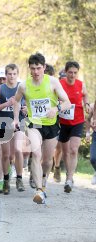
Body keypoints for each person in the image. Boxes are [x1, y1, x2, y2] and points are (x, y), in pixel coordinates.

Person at [13, 52, 71, 204]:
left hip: (51, 124)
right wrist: (15, 119)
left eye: (38, 68)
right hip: (34, 124)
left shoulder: (52, 82)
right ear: (29, 69)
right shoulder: (24, 85)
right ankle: (39, 190)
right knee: (36, 153)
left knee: (46, 161)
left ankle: (44, 179)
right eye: (32, 68)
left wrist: (56, 109)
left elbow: (67, 102)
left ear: (44, 67)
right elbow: (16, 101)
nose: (36, 72)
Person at [55, 61, 90, 192]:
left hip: (78, 120)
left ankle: (69, 178)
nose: (73, 75)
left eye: (75, 73)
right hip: (63, 122)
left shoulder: (81, 84)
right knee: (65, 151)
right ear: (66, 71)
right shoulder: (60, 84)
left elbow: (85, 95)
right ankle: (67, 175)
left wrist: (86, 104)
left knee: (74, 149)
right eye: (70, 72)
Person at [0, 64, 26, 194]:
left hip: (19, 122)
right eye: (9, 74)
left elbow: (29, 103)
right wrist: (6, 104)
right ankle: (6, 180)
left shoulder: (22, 87)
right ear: (6, 75)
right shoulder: (0, 89)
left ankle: (19, 178)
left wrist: (26, 109)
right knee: (6, 154)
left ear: (17, 74)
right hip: (3, 122)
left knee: (19, 150)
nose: (12, 76)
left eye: (14, 74)